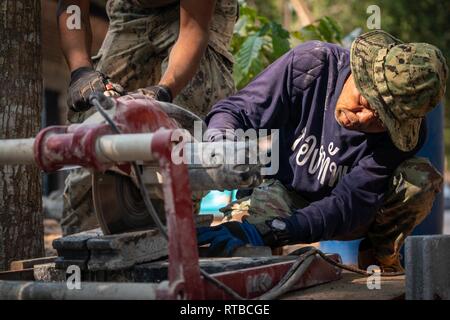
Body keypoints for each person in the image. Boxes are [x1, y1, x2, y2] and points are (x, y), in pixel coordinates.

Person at [197, 30, 448, 272]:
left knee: (420, 179)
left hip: (351, 212)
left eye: (381, 120)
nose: (362, 118)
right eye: (363, 102)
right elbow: (235, 111)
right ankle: (265, 246)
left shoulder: (400, 138)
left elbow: (349, 202)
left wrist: (282, 229)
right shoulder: (312, 66)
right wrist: (222, 143)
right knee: (238, 246)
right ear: (361, 73)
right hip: (281, 193)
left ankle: (377, 257)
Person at [57, 0, 238, 234]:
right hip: (131, 10)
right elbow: (73, 6)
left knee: (180, 126)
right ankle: (81, 247)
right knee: (96, 123)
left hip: (195, 16)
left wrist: (163, 92)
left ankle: (175, 233)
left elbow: (193, 30)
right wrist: (81, 70)